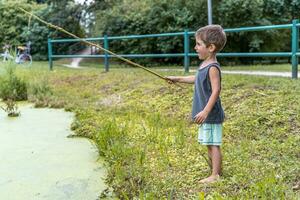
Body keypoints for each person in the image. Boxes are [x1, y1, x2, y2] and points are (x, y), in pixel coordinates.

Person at [167, 24, 226, 183]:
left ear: (211, 47)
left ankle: (215, 175)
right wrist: (177, 79)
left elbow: (216, 90)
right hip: (205, 112)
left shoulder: (213, 67)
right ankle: (215, 170)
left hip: (211, 114)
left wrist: (206, 111)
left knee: (213, 144)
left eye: (199, 44)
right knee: (209, 142)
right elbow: (196, 79)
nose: (195, 47)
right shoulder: (204, 65)